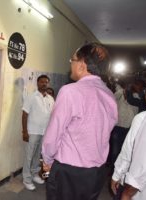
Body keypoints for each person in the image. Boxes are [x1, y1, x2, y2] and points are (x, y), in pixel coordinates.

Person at [42, 42, 118, 200]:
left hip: (69, 173)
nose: (71, 64)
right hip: (96, 174)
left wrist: (47, 160)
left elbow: (54, 133)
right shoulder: (109, 95)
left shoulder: (70, 91)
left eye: (72, 60)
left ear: (82, 64)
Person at [113, 79, 146, 200]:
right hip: (120, 126)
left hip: (139, 189)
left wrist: (127, 192)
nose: (145, 93)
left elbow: (144, 160)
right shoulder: (120, 93)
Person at [22, 75, 54, 190]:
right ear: (37, 83)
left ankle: (35, 174)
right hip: (33, 131)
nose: (44, 84)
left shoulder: (50, 99)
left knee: (38, 155)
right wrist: (24, 131)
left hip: (45, 132)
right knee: (29, 156)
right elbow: (25, 114)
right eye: (42, 82)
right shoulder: (31, 96)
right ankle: (26, 179)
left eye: (46, 82)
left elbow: (52, 116)